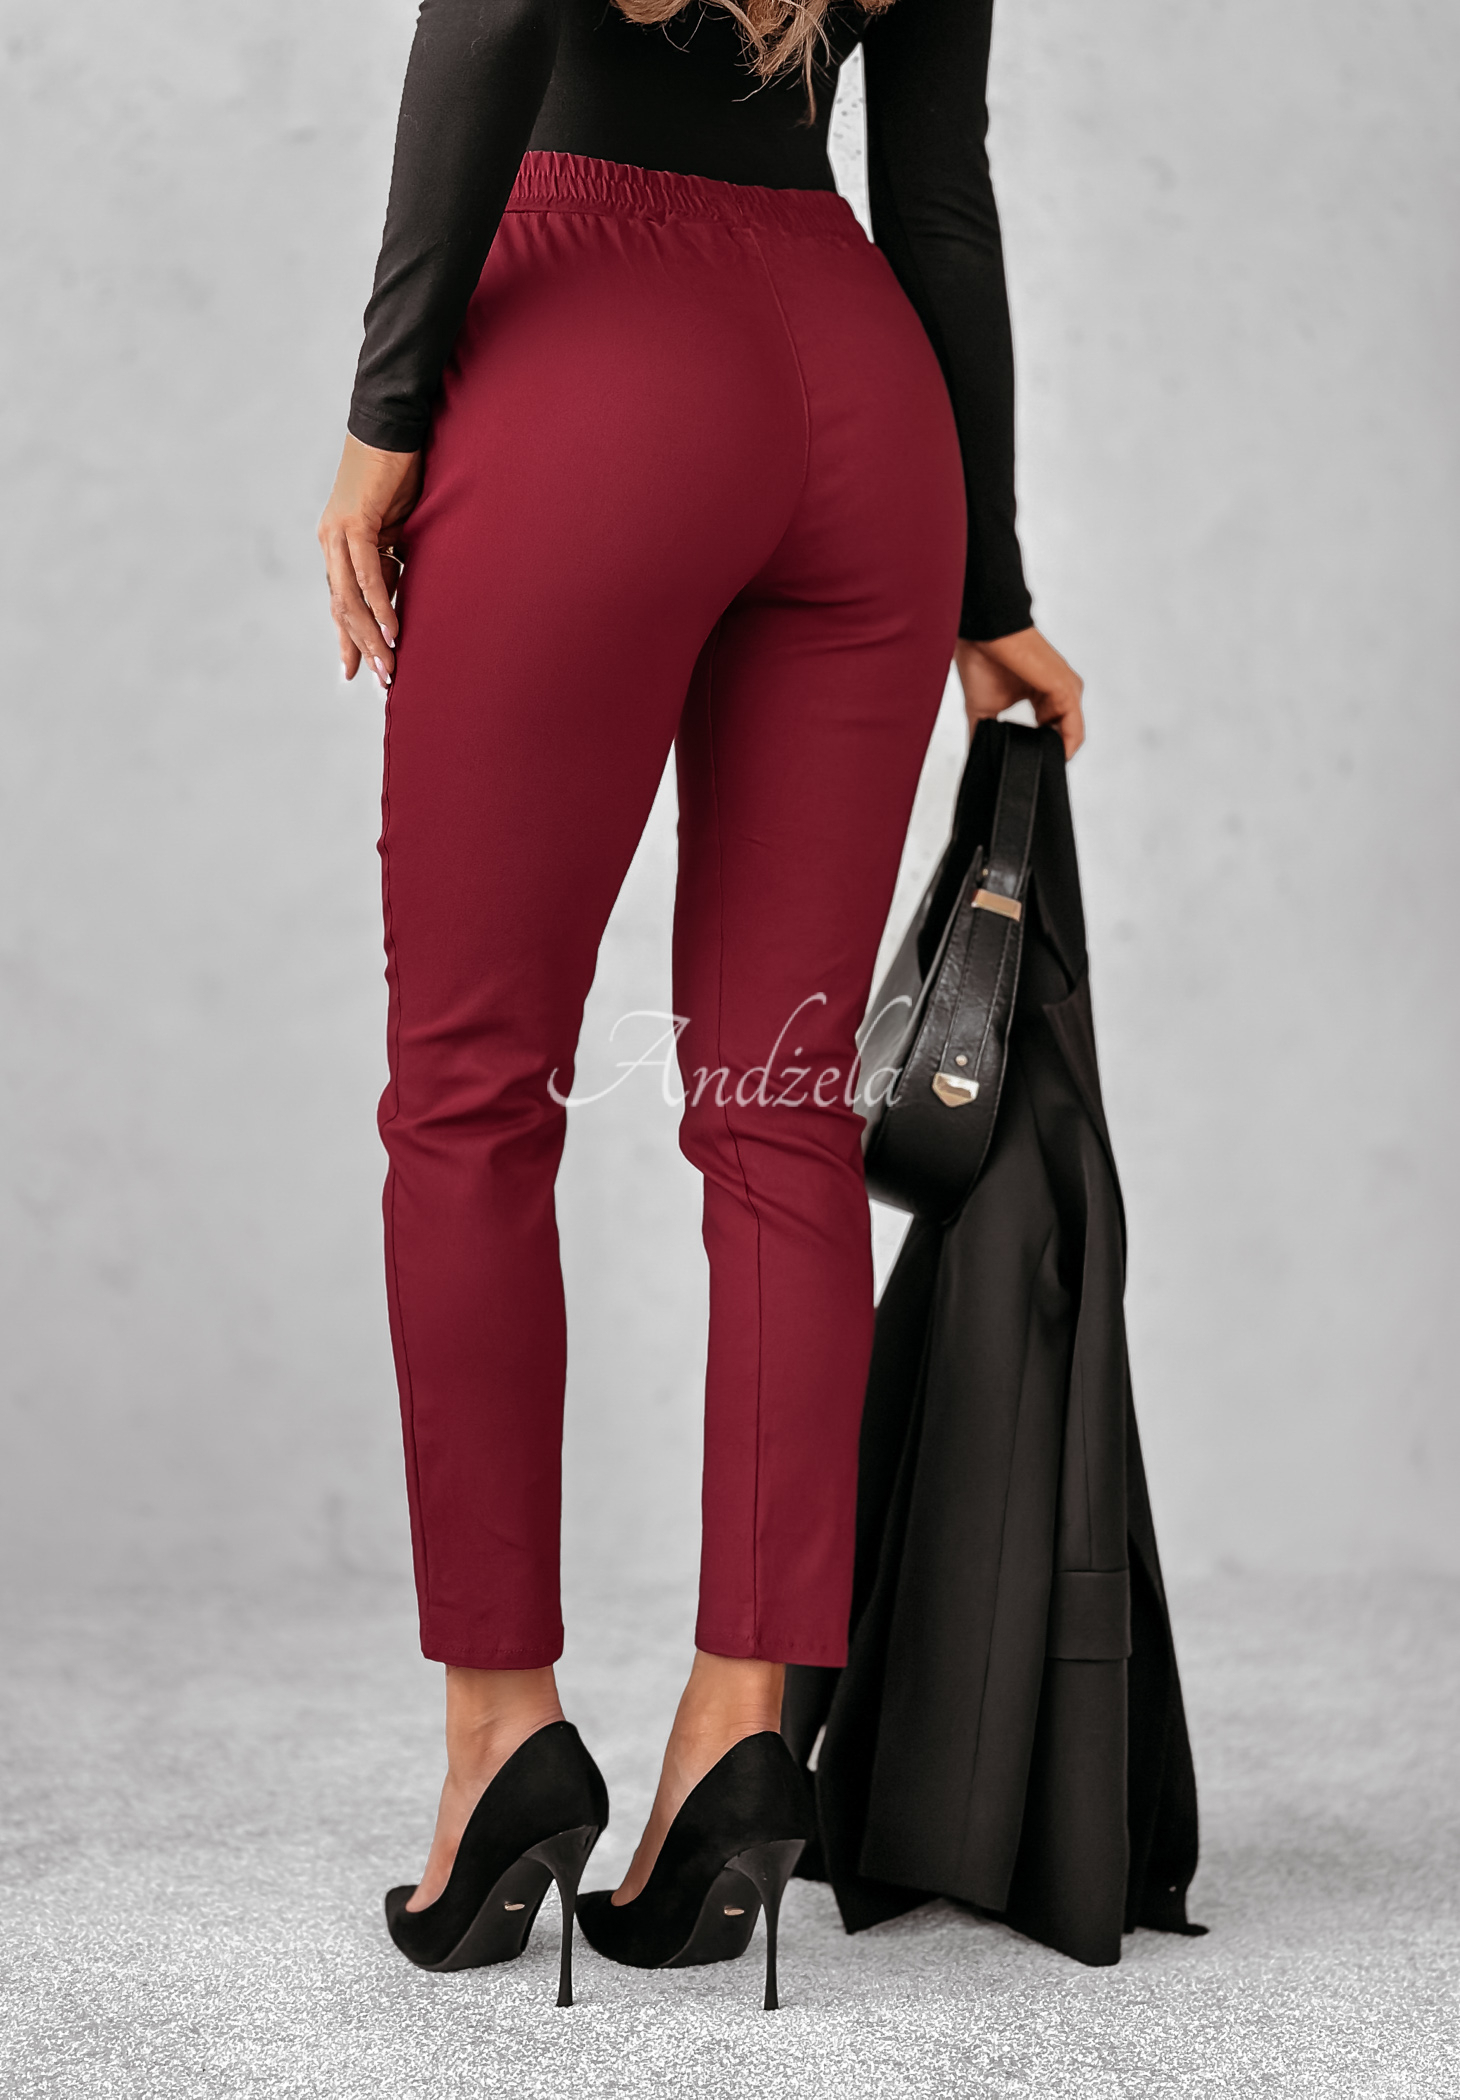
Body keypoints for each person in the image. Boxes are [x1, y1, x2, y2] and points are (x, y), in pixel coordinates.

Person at [317, 0, 1085, 2007]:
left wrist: (386, 414)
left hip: (589, 362)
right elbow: (938, 196)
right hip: (861, 402)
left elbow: (495, 13)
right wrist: (989, 586)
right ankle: (743, 1729)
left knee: (471, 1095)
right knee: (780, 1111)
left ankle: (502, 1740)